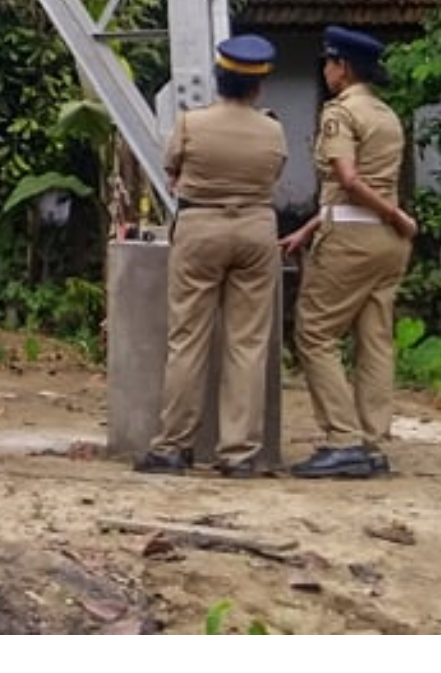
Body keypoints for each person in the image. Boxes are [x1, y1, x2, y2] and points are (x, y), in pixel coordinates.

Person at [132, 33, 290, 477]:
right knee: (248, 344)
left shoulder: (191, 124)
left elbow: (172, 174)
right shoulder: (273, 128)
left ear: (220, 79)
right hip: (257, 230)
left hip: (201, 227)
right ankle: (239, 453)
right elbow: (275, 173)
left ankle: (173, 446)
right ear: (258, 86)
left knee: (188, 338)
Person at [285, 25, 416, 479]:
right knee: (375, 341)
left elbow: (348, 179)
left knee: (315, 334)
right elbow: (358, 189)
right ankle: (373, 444)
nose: (325, 70)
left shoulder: (339, 114)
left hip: (352, 242)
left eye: (328, 62)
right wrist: (310, 225)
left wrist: (397, 215)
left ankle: (342, 440)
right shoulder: (386, 114)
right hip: (386, 245)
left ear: (342, 67)